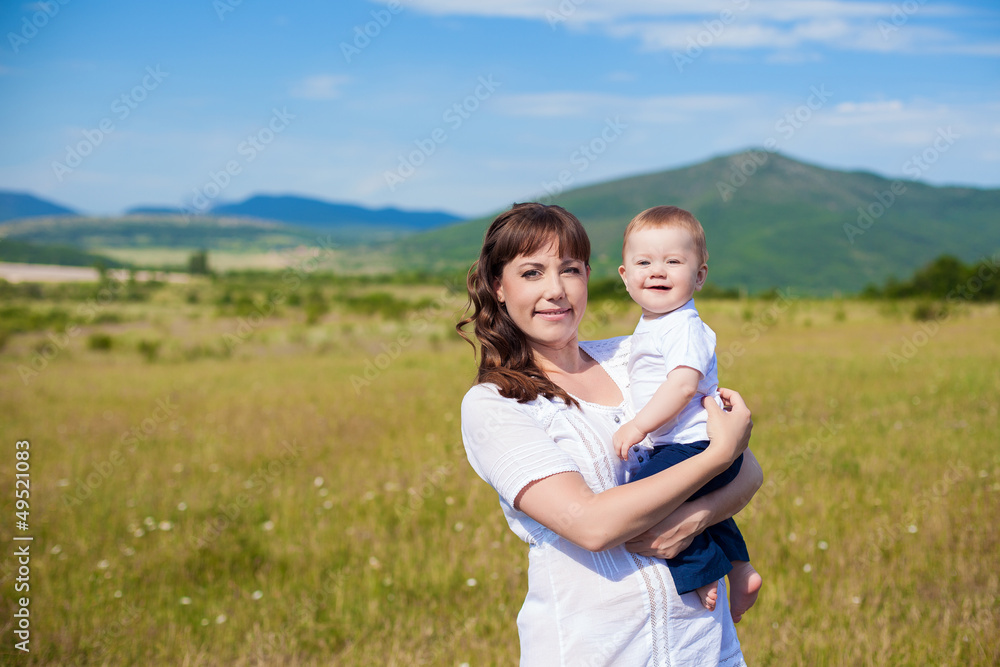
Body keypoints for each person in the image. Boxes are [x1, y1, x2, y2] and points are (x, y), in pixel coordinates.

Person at [457, 202, 762, 665]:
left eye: (570, 270)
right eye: (532, 273)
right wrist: (716, 457)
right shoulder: (496, 404)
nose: (556, 291)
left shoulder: (635, 355)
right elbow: (591, 525)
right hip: (599, 651)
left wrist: (698, 515)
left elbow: (748, 468)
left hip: (702, 649)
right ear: (499, 287)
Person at [612, 205, 762, 622]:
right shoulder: (656, 324)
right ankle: (740, 568)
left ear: (699, 276)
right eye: (644, 262)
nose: (657, 271)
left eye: (673, 262)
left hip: (692, 444)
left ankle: (704, 570)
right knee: (695, 499)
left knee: (643, 497)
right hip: (695, 444)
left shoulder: (682, 325)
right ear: (625, 276)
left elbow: (682, 385)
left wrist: (639, 425)